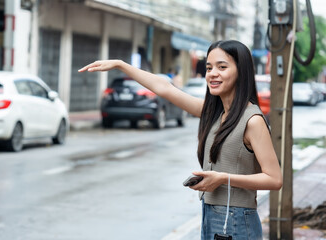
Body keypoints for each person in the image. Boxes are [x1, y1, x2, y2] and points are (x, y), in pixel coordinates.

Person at [78, 40, 283, 240]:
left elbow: (274, 179)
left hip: (238, 220)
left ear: (241, 71)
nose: (212, 74)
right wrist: (121, 65)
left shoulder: (252, 120)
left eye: (222, 67)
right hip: (211, 215)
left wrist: (223, 178)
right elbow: (165, 88)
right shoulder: (213, 113)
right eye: (209, 67)